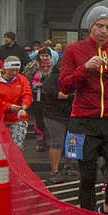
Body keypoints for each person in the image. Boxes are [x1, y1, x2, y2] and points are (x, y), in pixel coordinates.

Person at [59, 5, 108, 215]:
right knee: (87, 176)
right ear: (90, 27)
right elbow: (65, 86)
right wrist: (85, 68)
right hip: (83, 120)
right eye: (99, 25)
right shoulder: (74, 50)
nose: (104, 31)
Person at [40, 56, 75, 184]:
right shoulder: (52, 79)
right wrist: (73, 96)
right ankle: (54, 171)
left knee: (72, 142)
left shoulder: (74, 79)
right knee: (57, 142)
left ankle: (68, 166)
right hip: (54, 115)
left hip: (71, 115)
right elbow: (60, 95)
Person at [0, 57, 33, 149]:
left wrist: (24, 107)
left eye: (17, 70)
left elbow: (27, 95)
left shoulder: (22, 80)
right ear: (5, 68)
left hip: (17, 117)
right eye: (12, 70)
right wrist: (8, 106)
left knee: (15, 147)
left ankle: (14, 163)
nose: (14, 73)